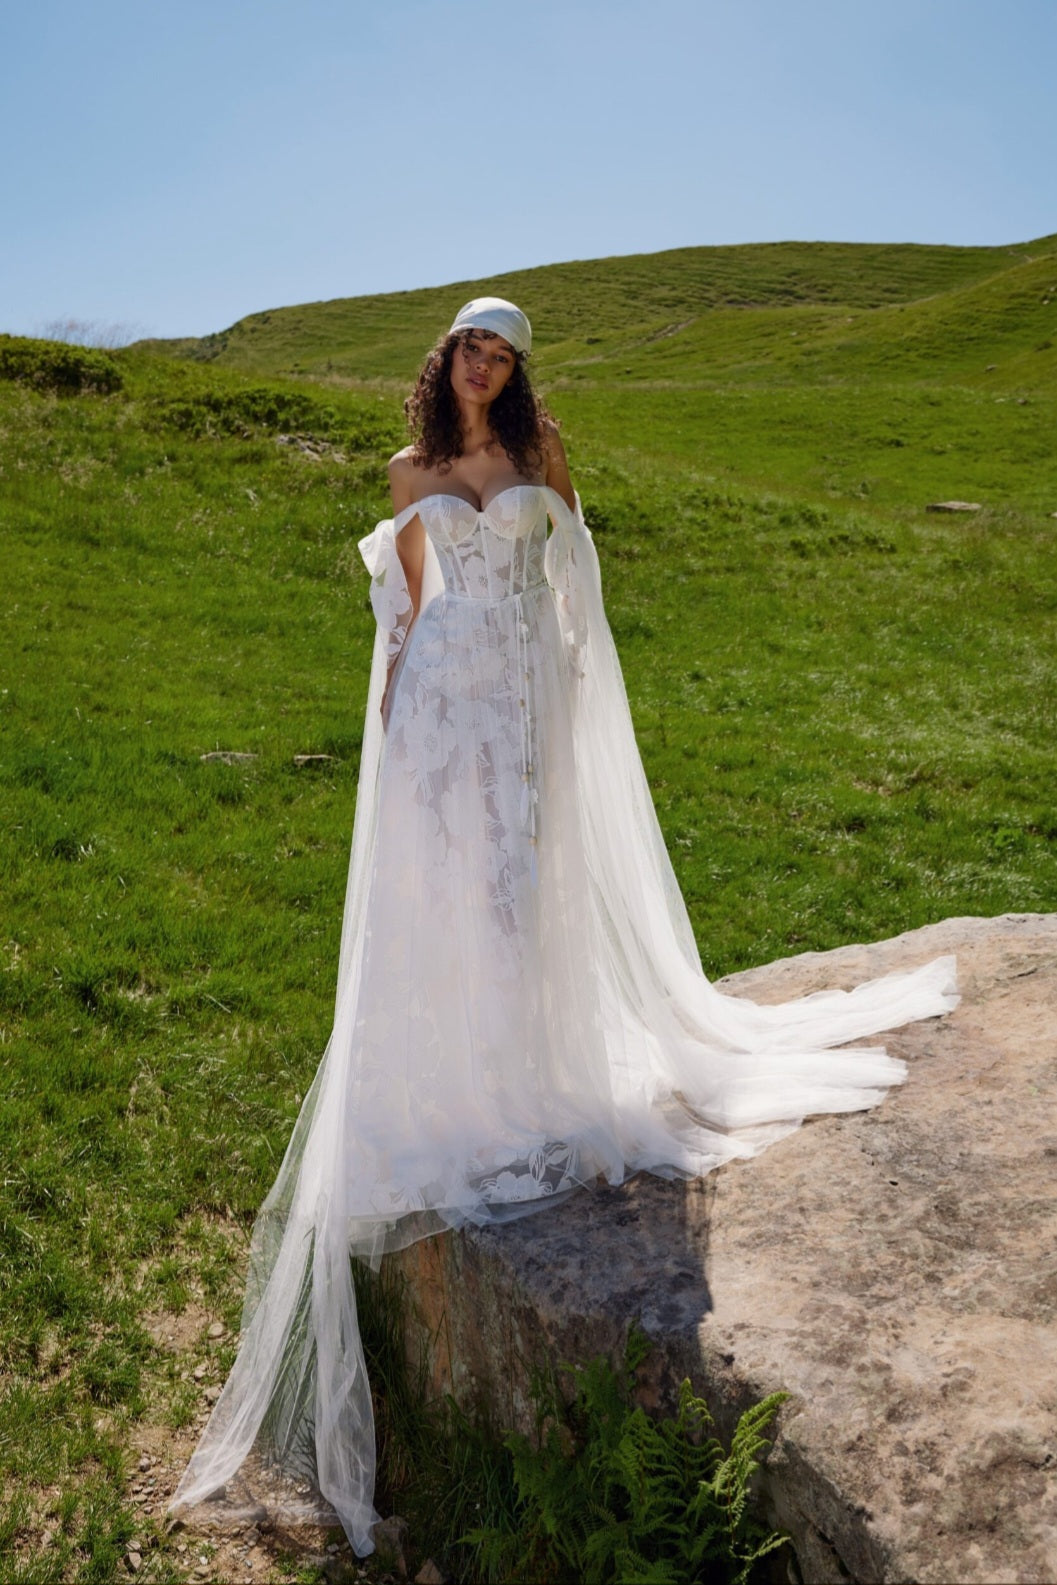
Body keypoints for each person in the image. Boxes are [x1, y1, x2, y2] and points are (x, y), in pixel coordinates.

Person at [169, 296, 958, 1555]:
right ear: (447, 360)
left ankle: (543, 1067)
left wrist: (576, 679)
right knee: (450, 889)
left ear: (519, 370)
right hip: (442, 698)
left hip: (526, 684)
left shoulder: (540, 457)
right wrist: (388, 719)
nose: (490, 365)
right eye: (475, 347)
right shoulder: (406, 470)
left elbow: (576, 565)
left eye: (507, 353)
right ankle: (466, 1076)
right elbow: (406, 609)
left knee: (522, 885)